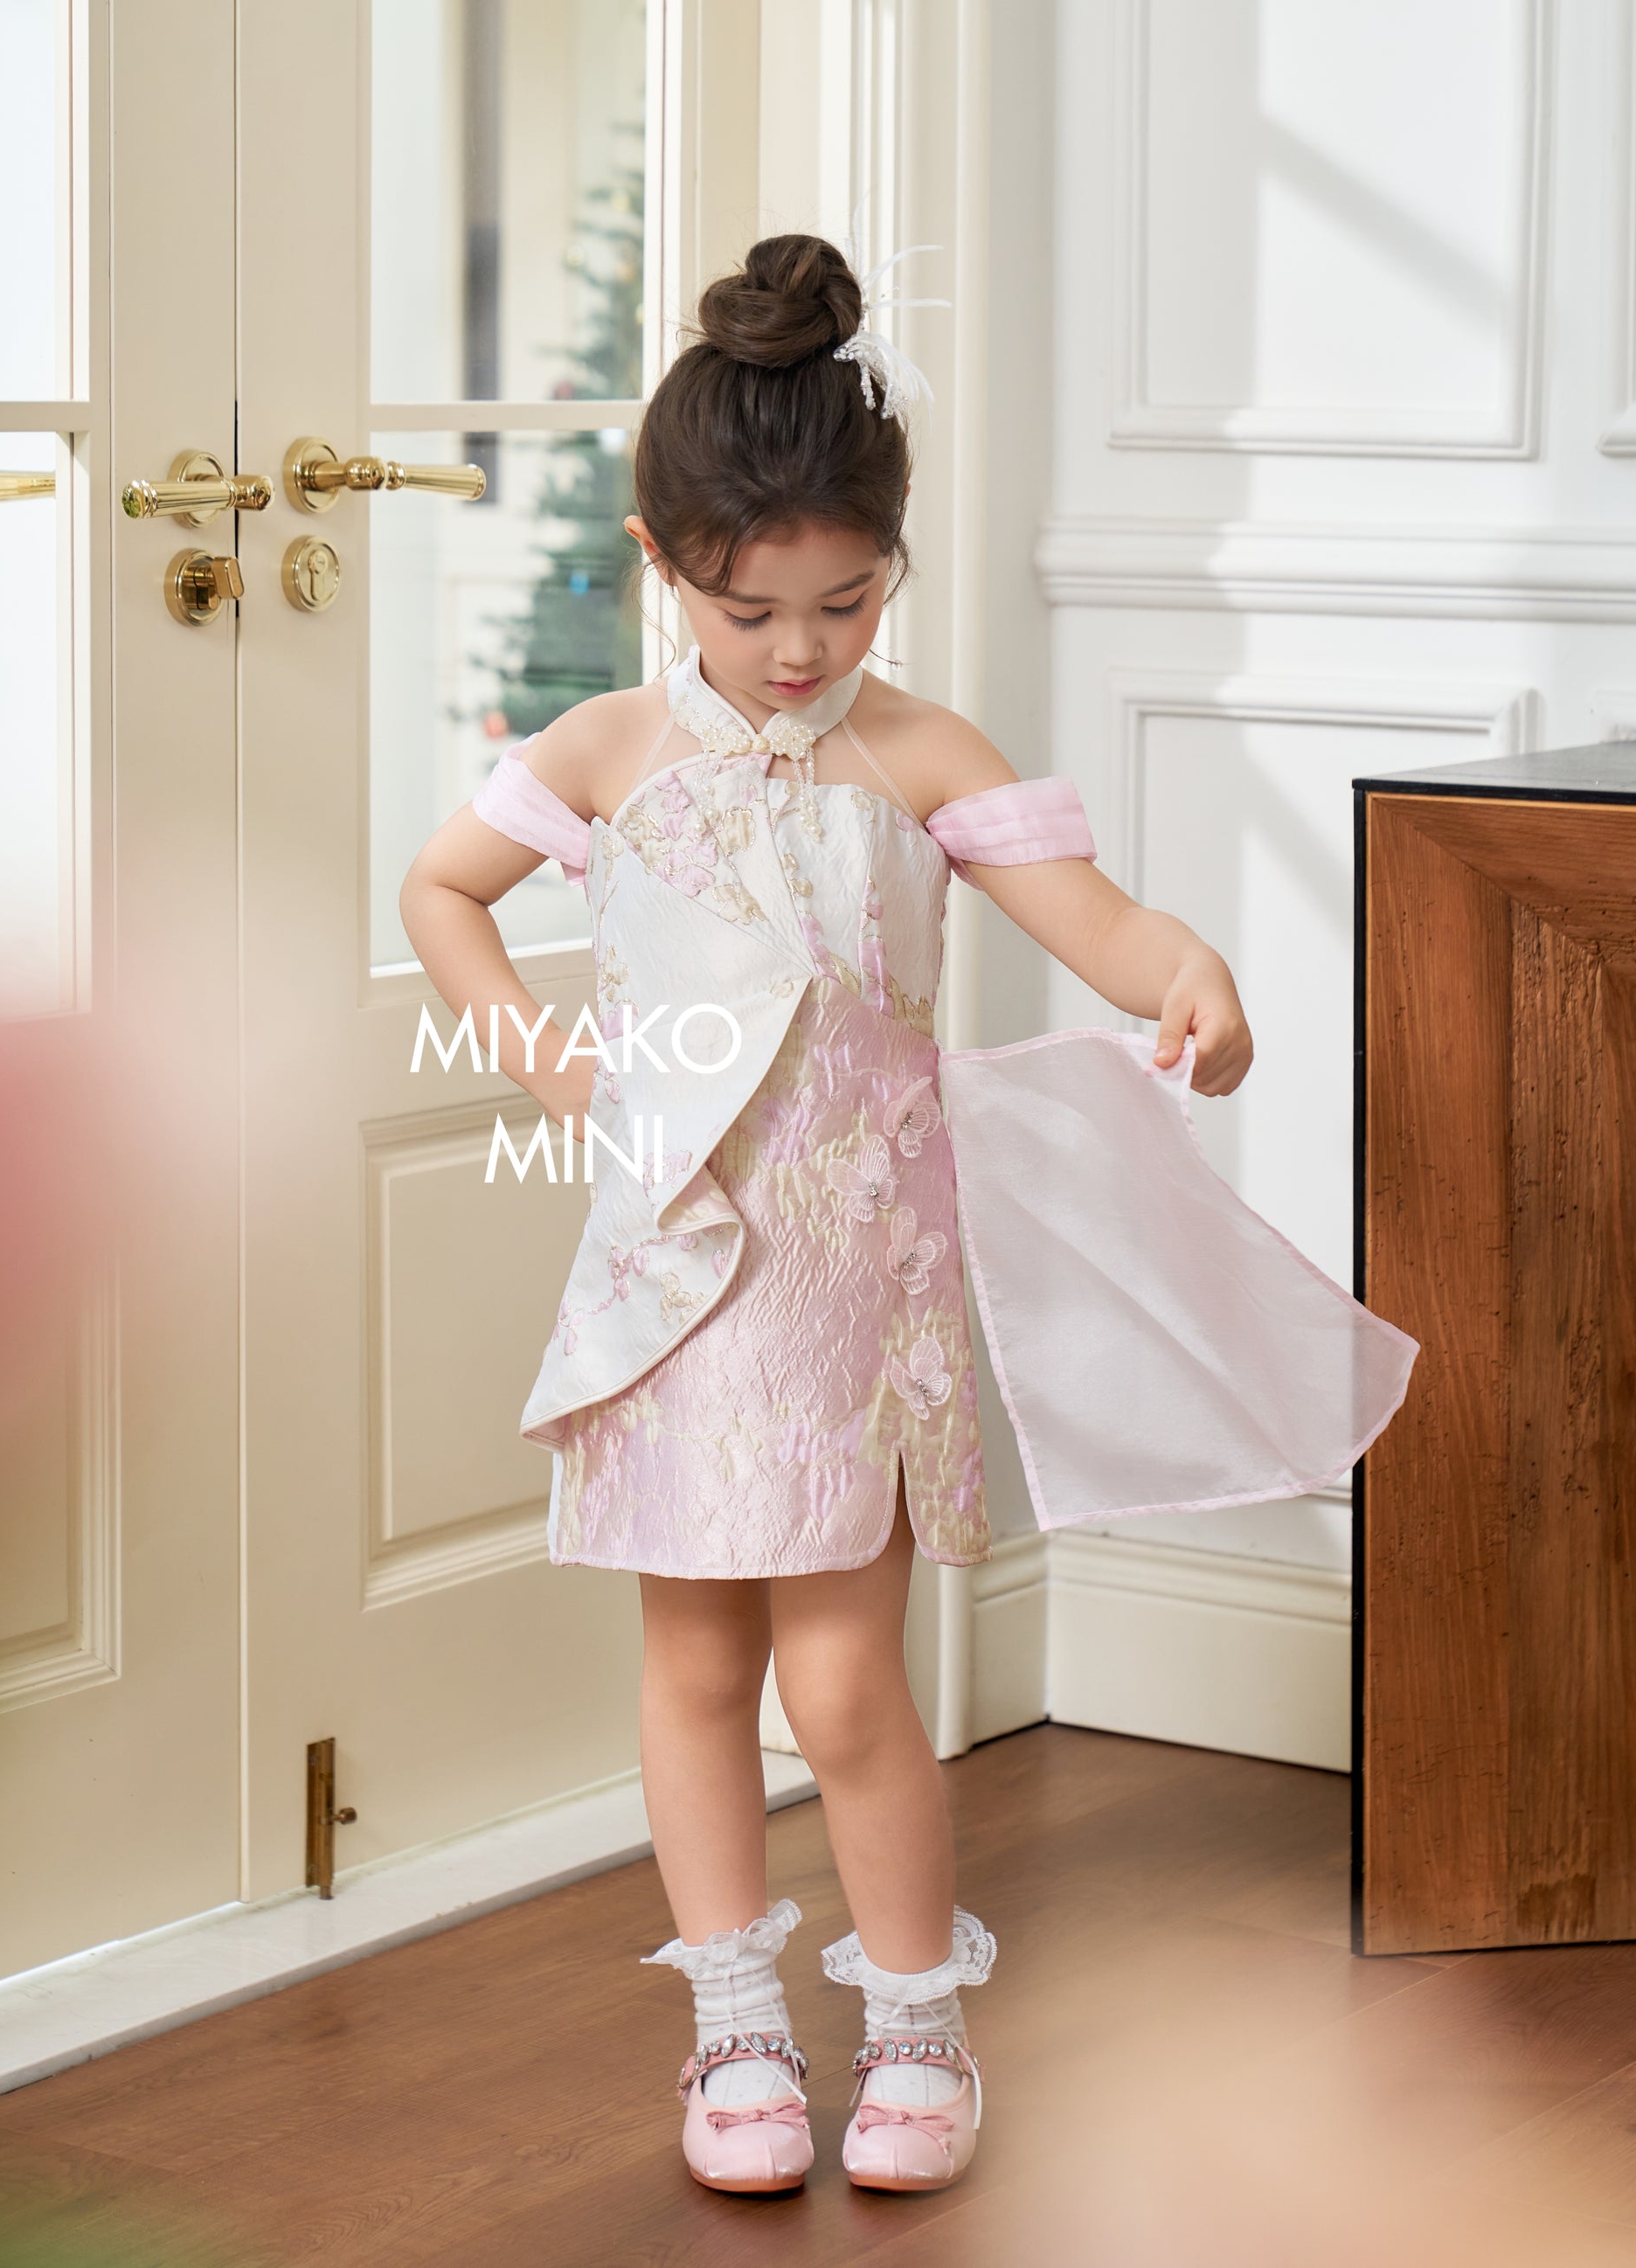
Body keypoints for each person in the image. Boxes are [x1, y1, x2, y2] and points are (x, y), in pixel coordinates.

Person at [399, 232, 1254, 2199]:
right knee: (697, 1672)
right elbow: (439, 892)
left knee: (847, 1680)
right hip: (676, 1283)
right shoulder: (607, 753)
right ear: (660, 560)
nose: (797, 649)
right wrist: (544, 1057)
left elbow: (1100, 924)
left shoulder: (920, 753)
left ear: (893, 566)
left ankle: (918, 2023)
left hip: (853, 1291)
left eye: (844, 602)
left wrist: (1188, 977)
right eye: (749, 608)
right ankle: (734, 2030)